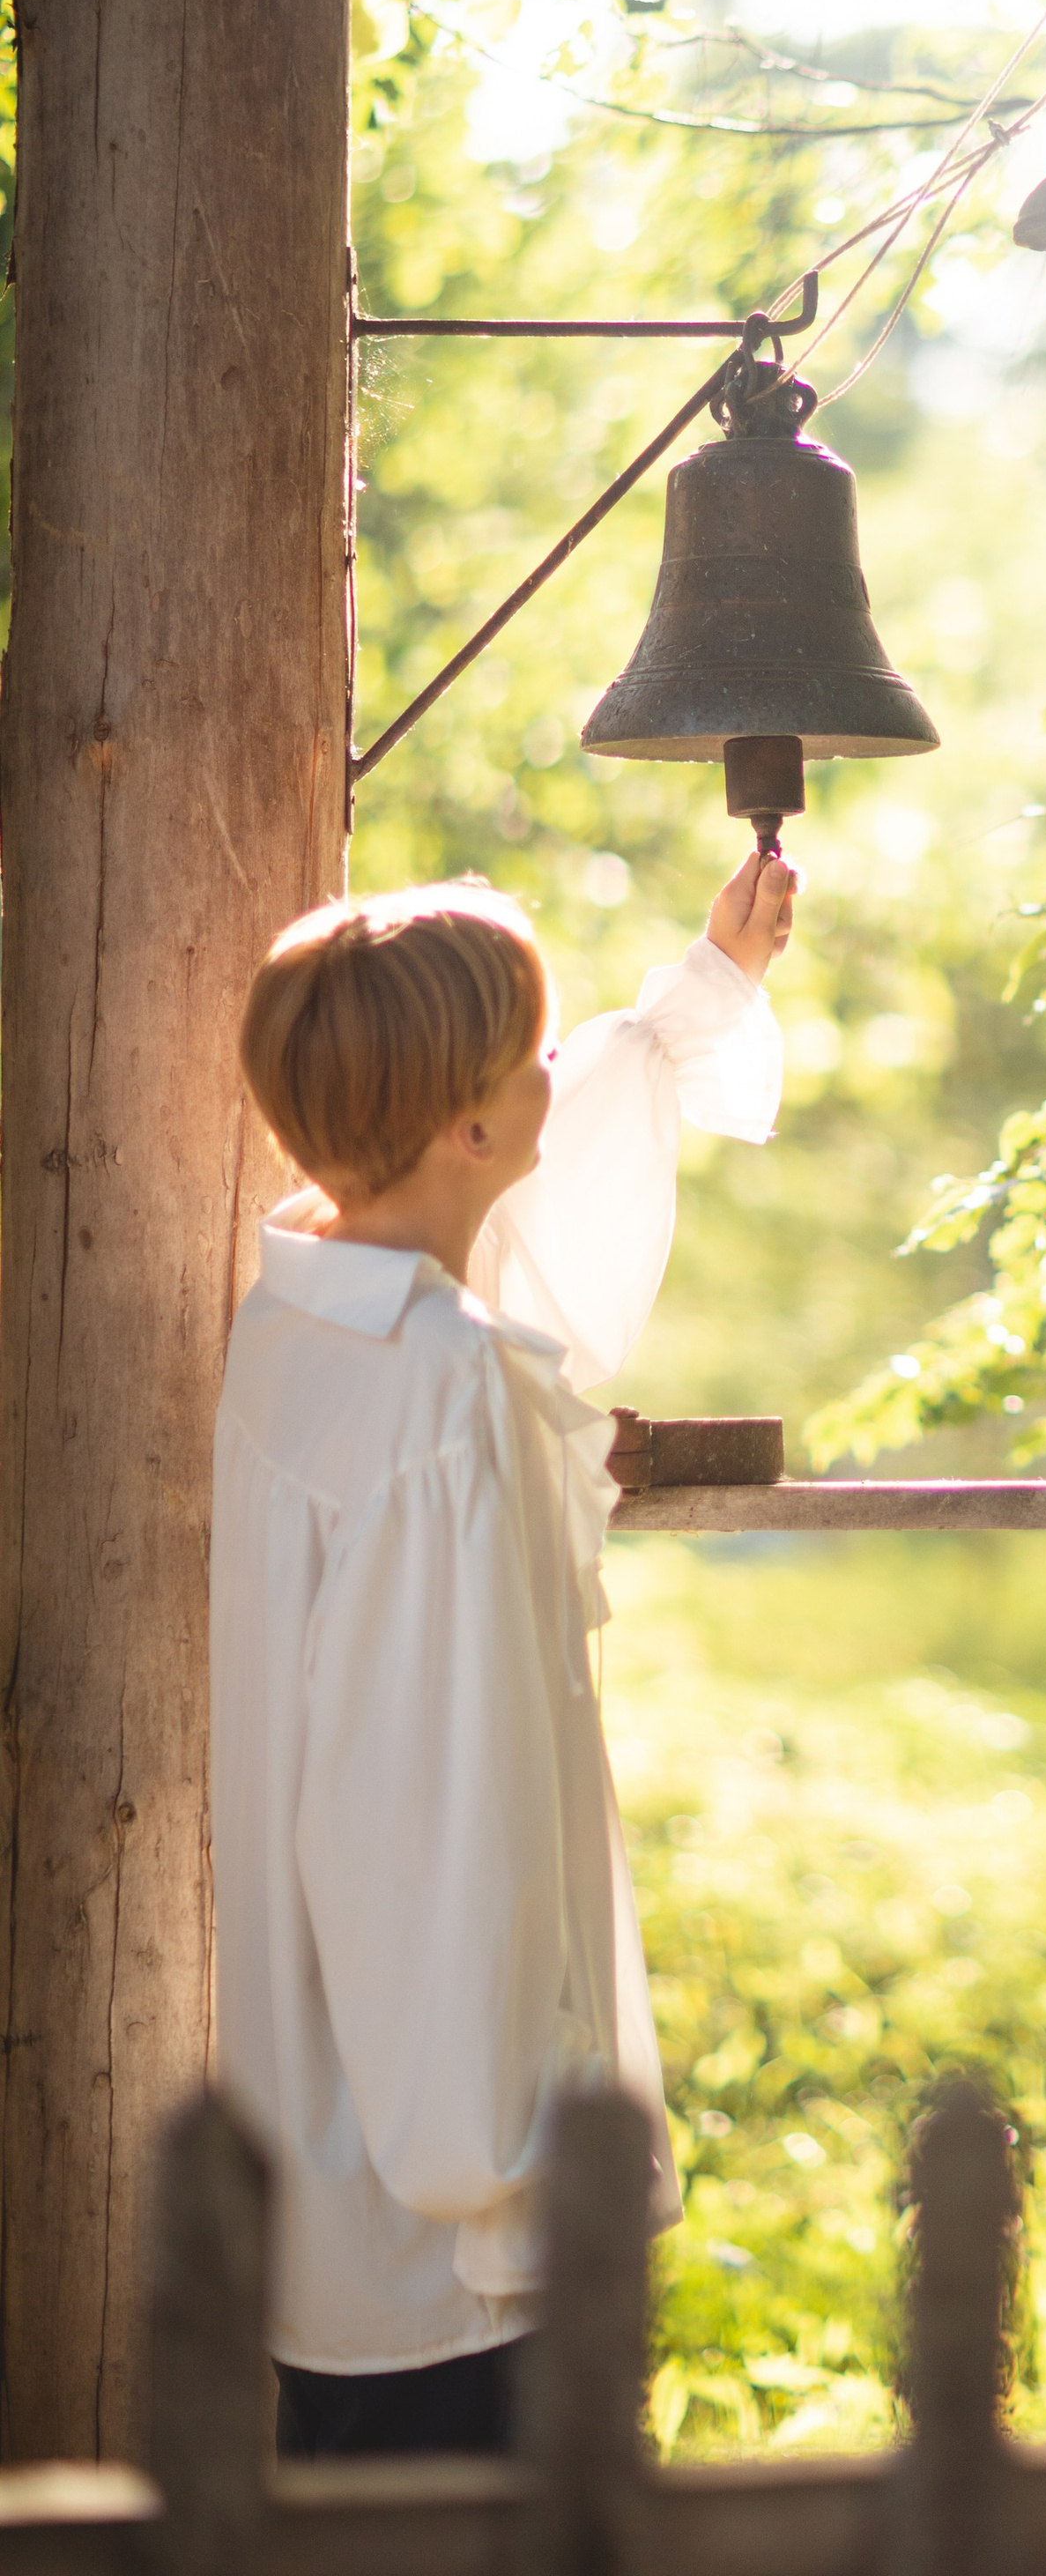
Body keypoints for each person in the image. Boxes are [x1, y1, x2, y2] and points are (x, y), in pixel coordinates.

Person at [211, 843, 798, 2461]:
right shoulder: (437, 1394)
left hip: (333, 2175)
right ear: (467, 1126)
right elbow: (431, 1820)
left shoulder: (302, 1321)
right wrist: (509, 2175)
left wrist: (711, 987)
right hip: (458, 2233)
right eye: (533, 1051)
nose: (558, 1065)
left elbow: (542, 1146)